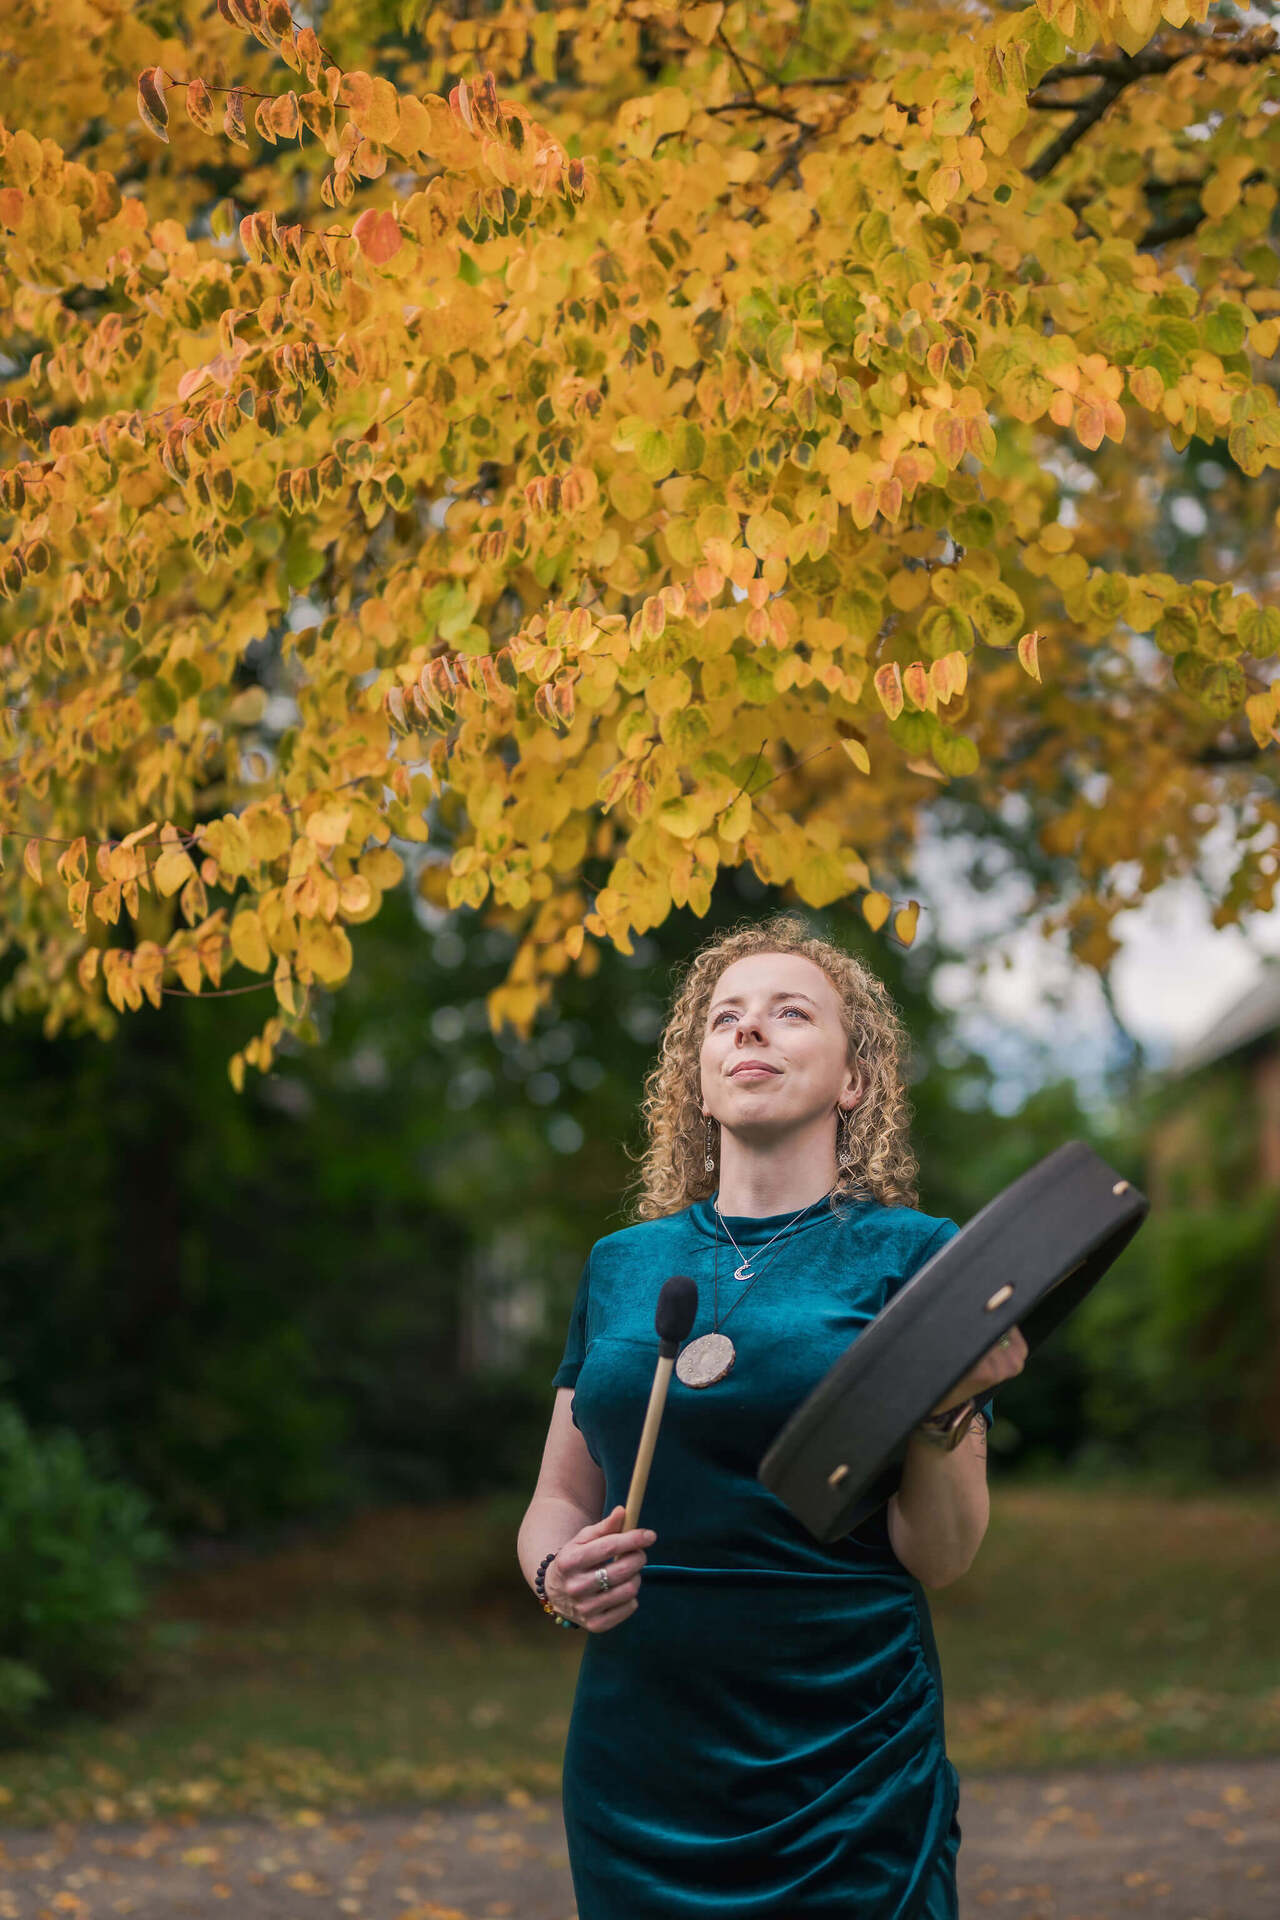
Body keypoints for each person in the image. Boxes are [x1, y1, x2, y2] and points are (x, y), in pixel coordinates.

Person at [517, 913, 1028, 1919]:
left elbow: (939, 1555)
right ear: (696, 1078)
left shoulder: (917, 1258)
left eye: (789, 1013)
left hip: (844, 1758)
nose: (746, 1033)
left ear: (854, 1081)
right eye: (723, 1020)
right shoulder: (619, 1264)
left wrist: (946, 1416)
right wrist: (553, 1574)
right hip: (640, 1757)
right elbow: (555, 1499)